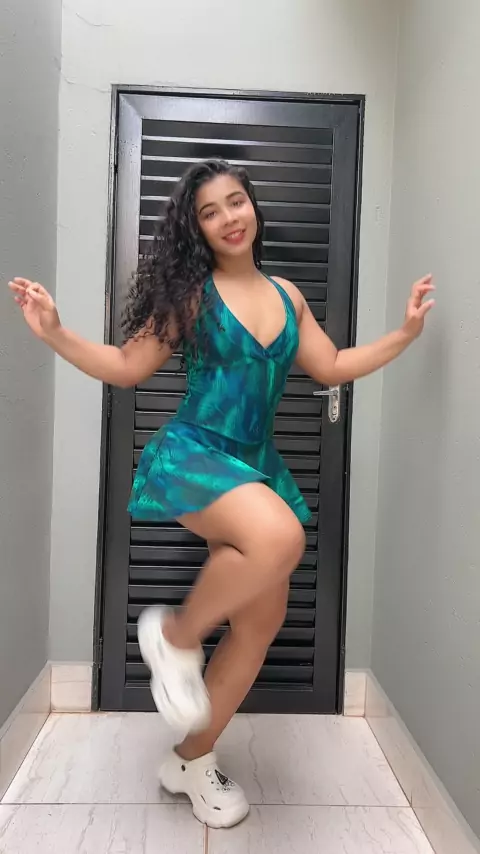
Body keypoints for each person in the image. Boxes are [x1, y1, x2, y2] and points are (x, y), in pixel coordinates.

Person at [8, 158, 435, 829]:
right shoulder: (192, 297)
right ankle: (175, 635)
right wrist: (56, 332)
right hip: (196, 453)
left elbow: (331, 365)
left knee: (260, 624)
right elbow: (126, 366)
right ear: (197, 229)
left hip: (255, 463)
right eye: (209, 212)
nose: (228, 218)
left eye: (235, 202)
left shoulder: (289, 296)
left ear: (252, 206)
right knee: (280, 536)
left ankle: (191, 760)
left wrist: (404, 334)